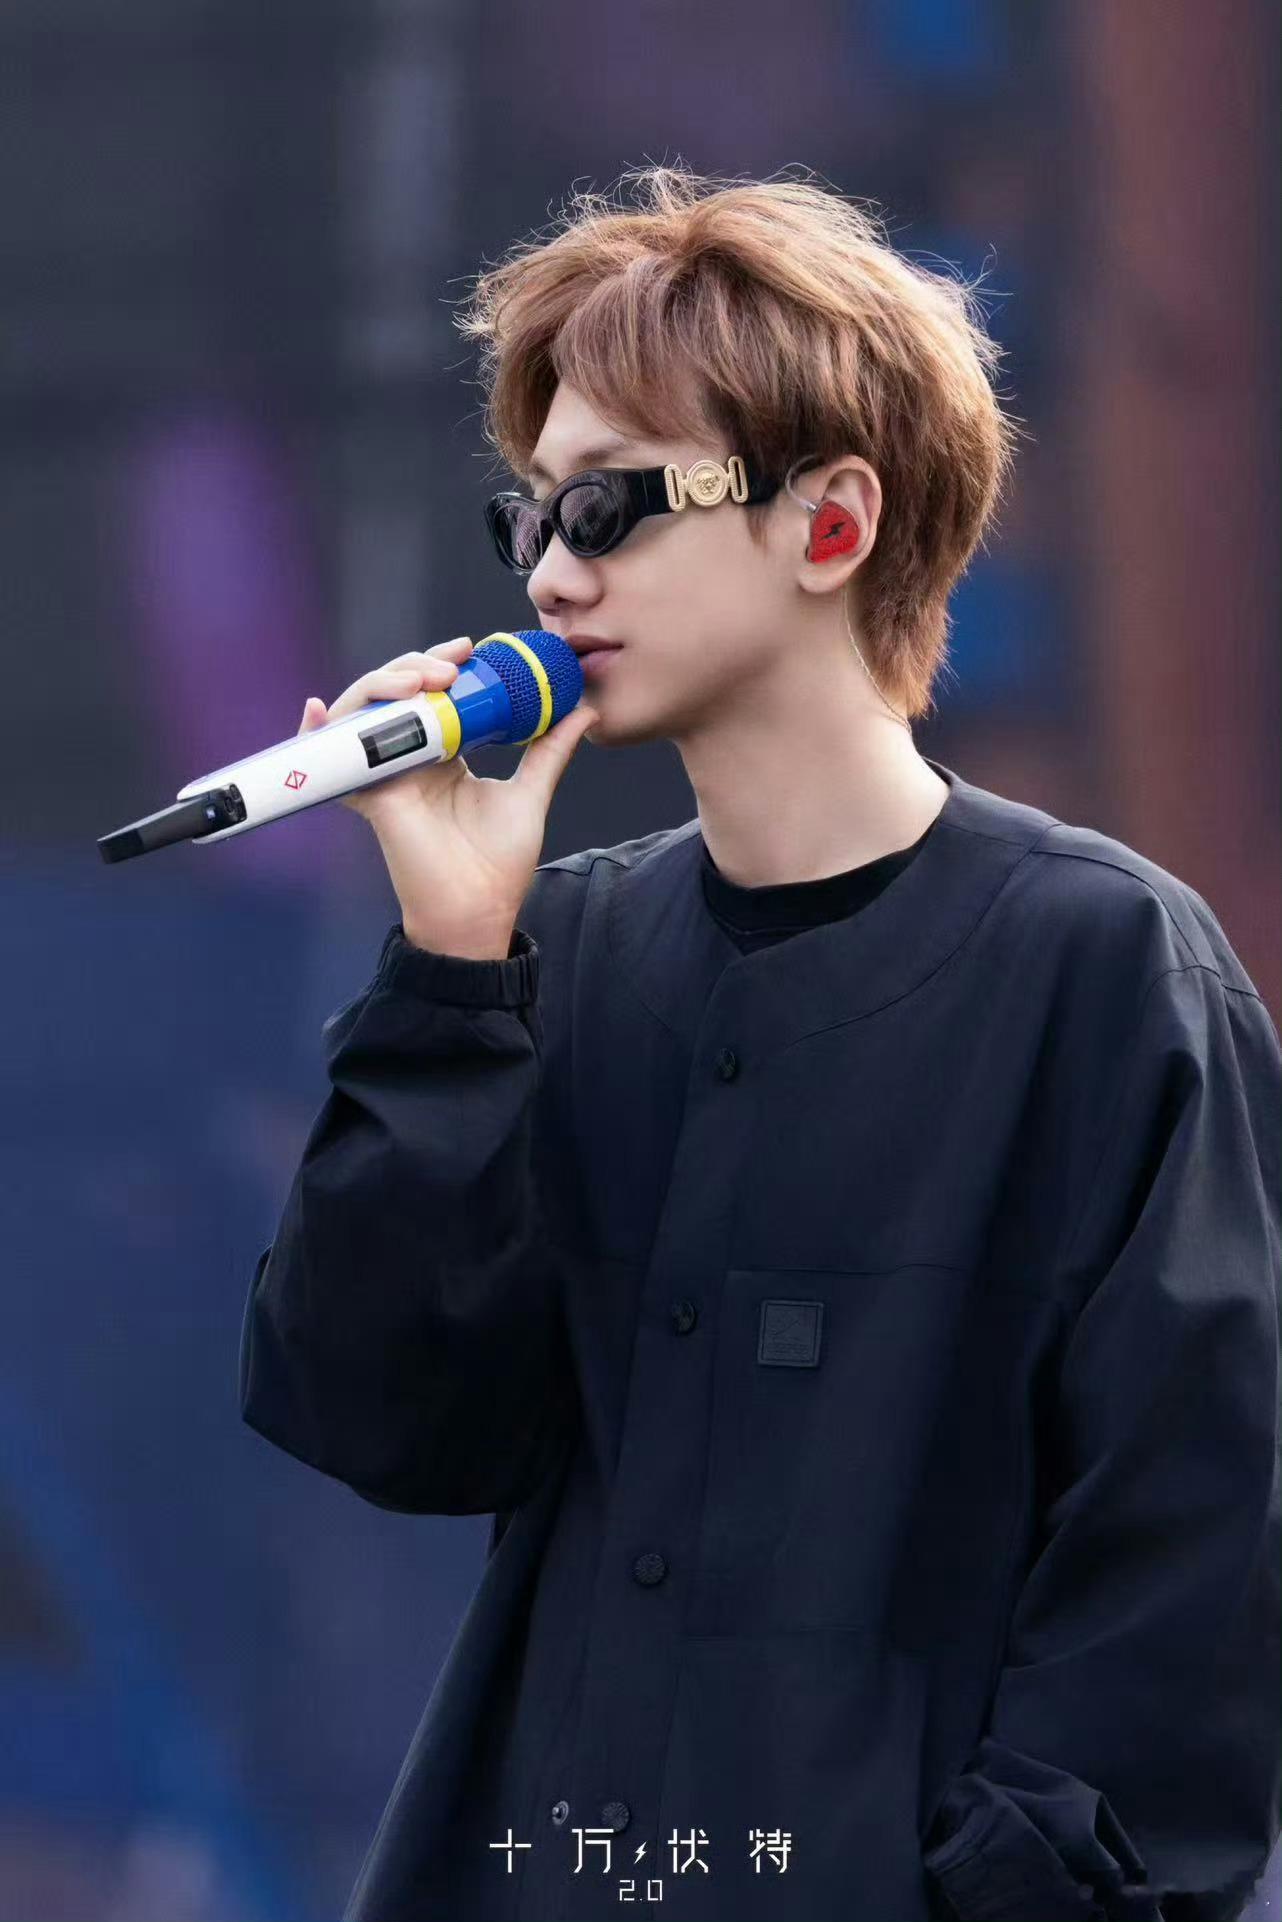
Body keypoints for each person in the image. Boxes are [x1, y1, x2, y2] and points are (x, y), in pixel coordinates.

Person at [239, 165, 1281, 1921]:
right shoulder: (553, 951)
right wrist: (451, 961)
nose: (550, 573)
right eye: (528, 517)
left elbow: (1181, 1589)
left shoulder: (1104, 969)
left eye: (608, 506)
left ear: (831, 522)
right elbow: (382, 1421)